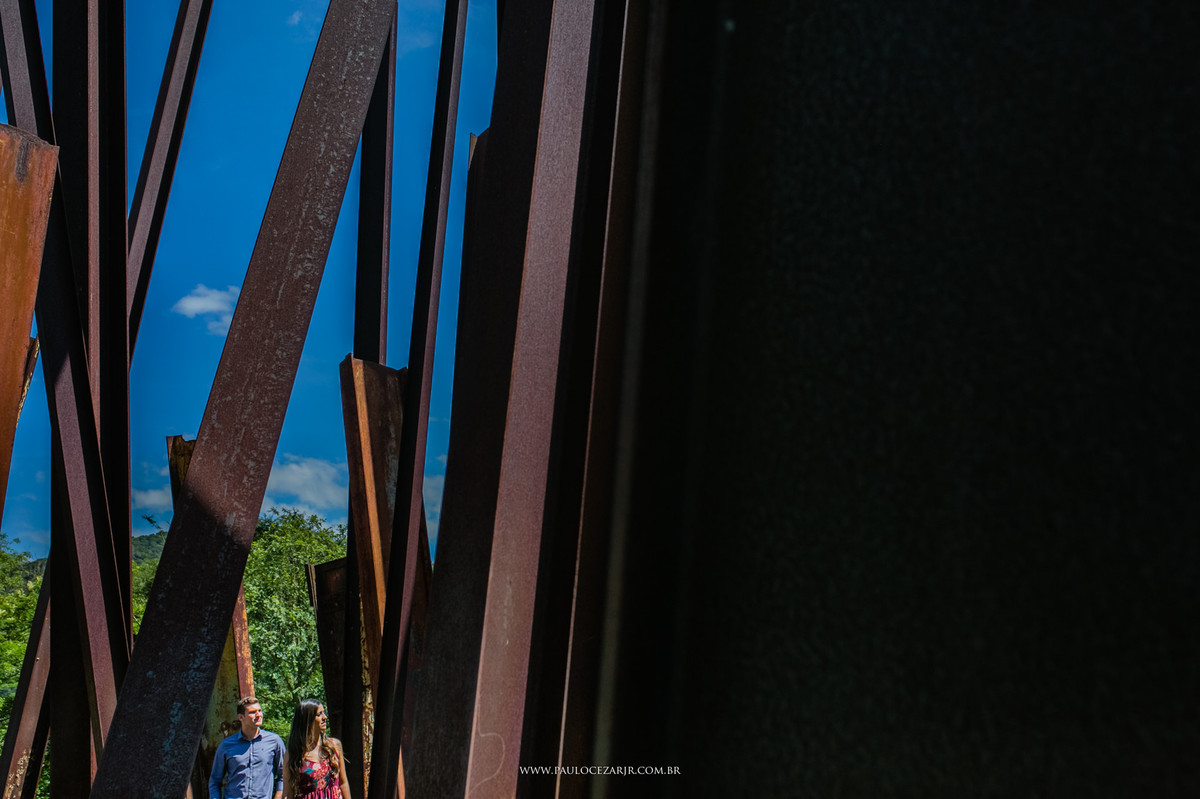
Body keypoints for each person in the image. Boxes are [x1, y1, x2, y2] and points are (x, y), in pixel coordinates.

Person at [210, 696, 286, 799]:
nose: (259, 715)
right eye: (253, 712)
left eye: (259, 710)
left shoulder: (274, 741)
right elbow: (215, 780)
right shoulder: (226, 745)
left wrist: (278, 796)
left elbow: (284, 775)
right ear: (241, 717)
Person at [282, 699, 352, 799]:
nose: (325, 717)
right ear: (307, 720)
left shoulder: (334, 746)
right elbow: (288, 793)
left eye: (324, 713)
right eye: (319, 714)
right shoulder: (293, 753)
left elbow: (343, 783)